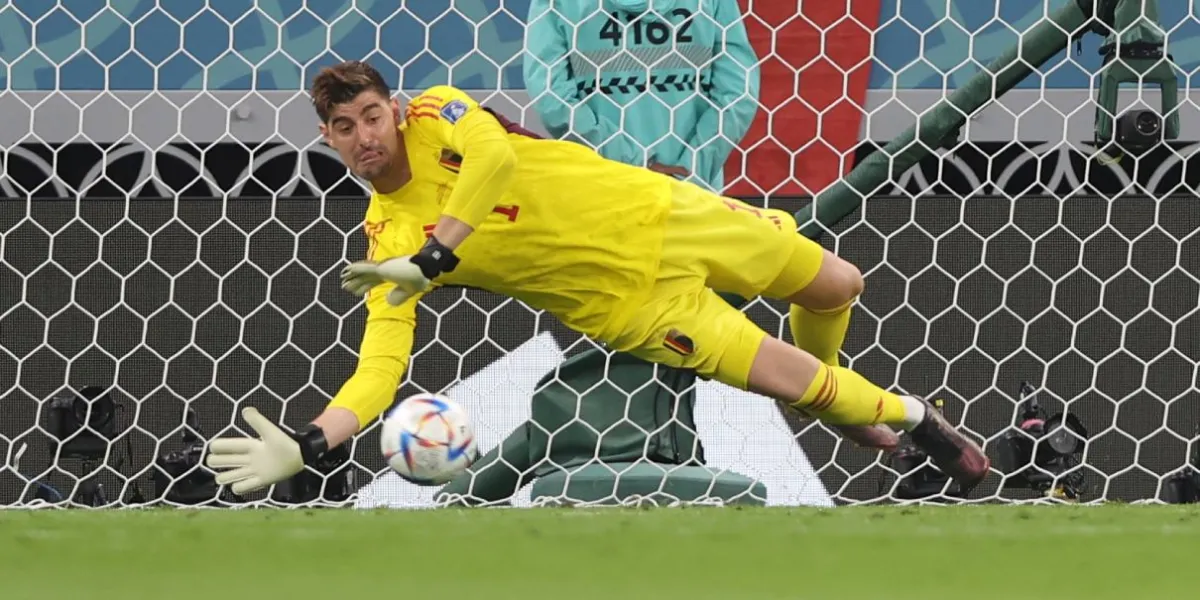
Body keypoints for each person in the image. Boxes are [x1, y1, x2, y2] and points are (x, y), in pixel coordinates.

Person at [203, 61, 989, 496]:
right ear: (328, 139)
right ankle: (922, 423)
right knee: (791, 376)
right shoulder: (385, 241)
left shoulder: (441, 112)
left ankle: (846, 404)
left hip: (662, 211)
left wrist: (439, 252)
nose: (364, 135)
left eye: (372, 114)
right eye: (344, 127)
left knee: (838, 285)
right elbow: (381, 367)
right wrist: (311, 443)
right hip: (634, 307)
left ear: (395, 109)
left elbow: (497, 158)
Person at [523, 0, 759, 191]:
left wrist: (631, 164)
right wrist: (692, 171)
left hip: (603, 185)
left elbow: (551, 97)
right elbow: (738, 92)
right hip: (693, 195)